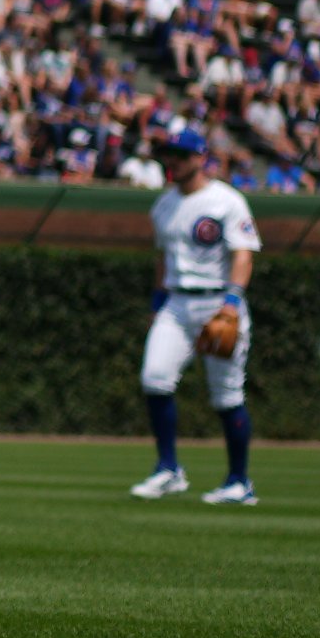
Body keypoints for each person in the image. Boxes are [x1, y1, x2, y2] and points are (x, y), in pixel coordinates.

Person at [130, 125, 261, 507]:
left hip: (218, 302)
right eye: (170, 154)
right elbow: (162, 258)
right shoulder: (164, 204)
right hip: (176, 303)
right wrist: (157, 304)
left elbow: (243, 254)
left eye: (182, 155)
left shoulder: (227, 201)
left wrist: (233, 302)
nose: (173, 161)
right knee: (154, 378)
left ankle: (239, 481)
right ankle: (168, 470)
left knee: (226, 395)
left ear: (201, 159)